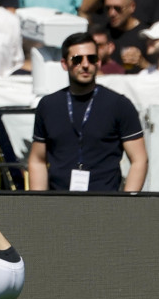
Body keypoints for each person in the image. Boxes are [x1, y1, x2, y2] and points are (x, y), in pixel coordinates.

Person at [28, 32, 148, 191]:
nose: (85, 64)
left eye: (91, 59)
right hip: (58, 203)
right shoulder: (48, 105)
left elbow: (139, 159)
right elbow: (37, 160)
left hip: (105, 204)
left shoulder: (119, 104)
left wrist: (126, 205)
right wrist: (39, 206)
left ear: (98, 62)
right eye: (77, 59)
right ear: (64, 64)